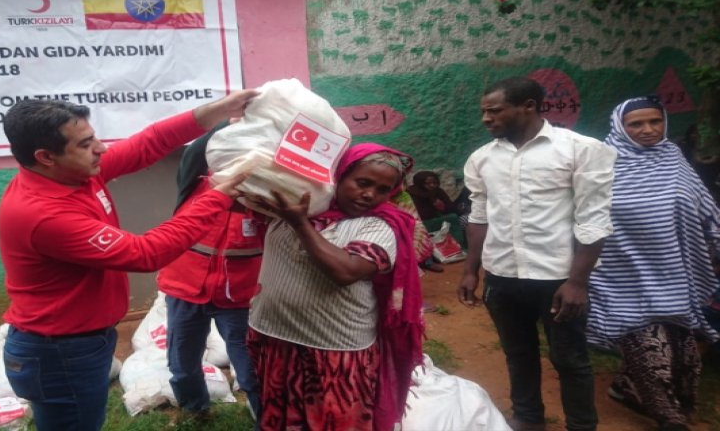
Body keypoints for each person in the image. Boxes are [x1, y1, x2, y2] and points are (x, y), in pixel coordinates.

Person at [0, 90, 257, 431]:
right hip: (60, 352)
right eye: (86, 143)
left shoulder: (73, 174)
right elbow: (146, 253)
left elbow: (147, 144)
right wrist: (216, 197)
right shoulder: (43, 214)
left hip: (79, 342)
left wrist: (217, 110)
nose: (101, 148)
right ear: (46, 157)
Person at [457, 77, 616, 431]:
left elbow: (594, 220)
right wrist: (471, 270)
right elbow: (479, 217)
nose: (486, 118)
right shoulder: (482, 159)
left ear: (528, 106)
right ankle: (529, 419)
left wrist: (578, 282)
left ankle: (581, 425)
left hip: (558, 278)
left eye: (494, 110)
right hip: (503, 275)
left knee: (570, 359)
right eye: (483, 111)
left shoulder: (579, 150)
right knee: (518, 355)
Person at [247, 143, 424, 431]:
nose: (370, 195)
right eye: (362, 183)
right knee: (279, 418)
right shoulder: (293, 204)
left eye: (383, 189)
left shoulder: (381, 226)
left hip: (335, 351)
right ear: (338, 176)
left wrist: (300, 224)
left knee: (335, 422)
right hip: (277, 337)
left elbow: (345, 271)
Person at [586, 96, 720, 431]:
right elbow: (579, 214)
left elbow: (704, 206)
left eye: (655, 121)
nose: (648, 130)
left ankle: (624, 389)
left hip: (673, 272)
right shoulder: (600, 162)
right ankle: (668, 417)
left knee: (683, 350)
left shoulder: (673, 158)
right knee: (648, 345)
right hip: (620, 274)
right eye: (636, 124)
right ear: (620, 126)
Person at [156, 127, 263, 422]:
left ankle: (267, 419)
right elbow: (194, 151)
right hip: (185, 289)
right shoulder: (194, 186)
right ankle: (195, 410)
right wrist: (229, 120)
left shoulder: (264, 202)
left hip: (238, 297)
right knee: (182, 361)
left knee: (251, 367)